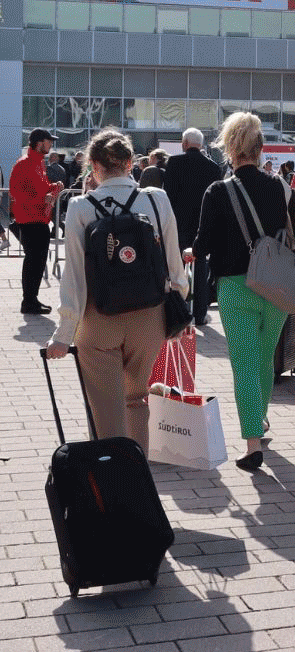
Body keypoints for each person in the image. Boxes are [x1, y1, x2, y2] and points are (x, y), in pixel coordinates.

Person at [44, 130, 188, 453]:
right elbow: (174, 263)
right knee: (136, 399)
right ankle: (139, 474)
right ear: (130, 163)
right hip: (149, 316)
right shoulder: (157, 199)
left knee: (106, 411)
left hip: (100, 317)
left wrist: (63, 335)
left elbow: (74, 277)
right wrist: (178, 314)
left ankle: (113, 476)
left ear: (94, 166)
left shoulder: (81, 207)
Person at [191, 112, 295, 471]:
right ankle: (258, 419)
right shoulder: (280, 186)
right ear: (261, 149)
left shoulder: (217, 191)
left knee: (244, 365)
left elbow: (203, 244)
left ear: (230, 149)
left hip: (235, 286)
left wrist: (190, 251)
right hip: (276, 285)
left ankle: (252, 443)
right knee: (263, 361)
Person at [164, 127, 222, 327]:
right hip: (202, 224)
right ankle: (200, 313)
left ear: (185, 143)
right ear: (201, 144)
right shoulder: (213, 167)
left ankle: (180, 311)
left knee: (177, 267)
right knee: (201, 266)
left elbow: (168, 195)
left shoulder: (174, 162)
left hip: (179, 223)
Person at [10, 127, 63, 314]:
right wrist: (42, 199)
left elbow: (41, 188)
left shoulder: (39, 162)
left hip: (40, 219)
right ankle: (28, 302)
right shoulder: (23, 164)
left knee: (38, 262)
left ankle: (32, 299)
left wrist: (53, 187)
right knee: (33, 261)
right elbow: (16, 193)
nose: (51, 144)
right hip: (29, 220)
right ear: (40, 143)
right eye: (49, 141)